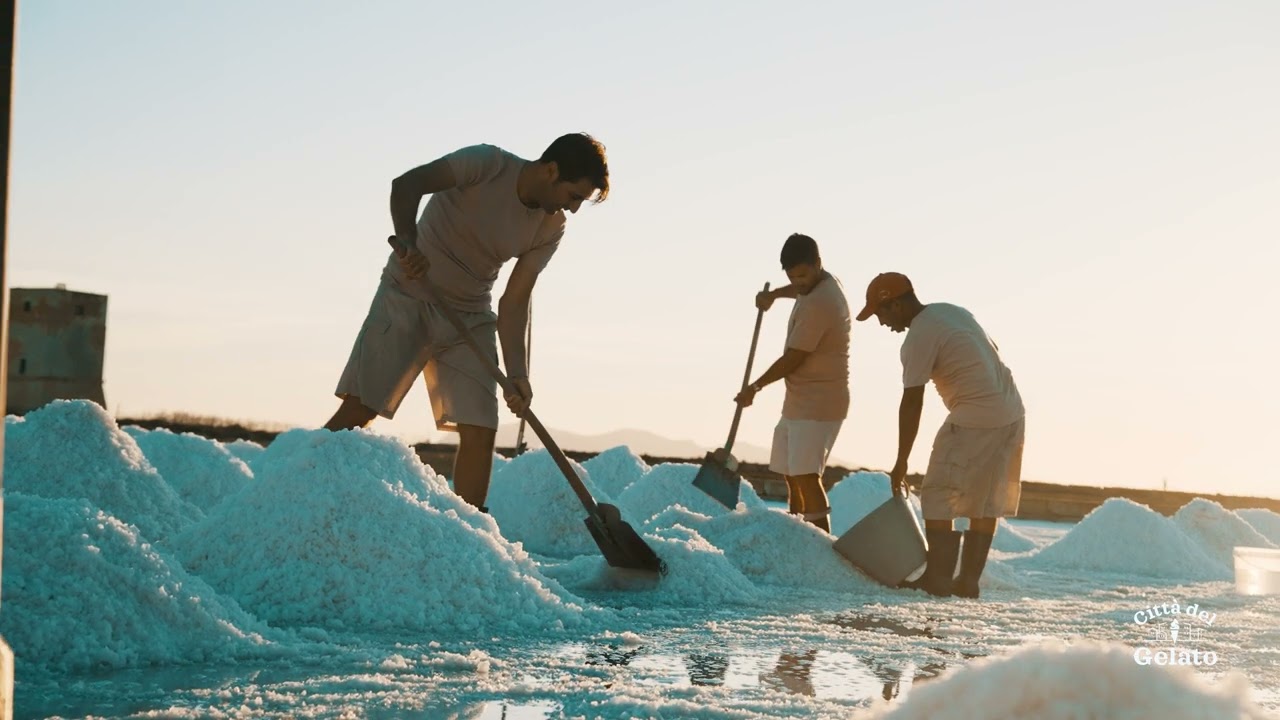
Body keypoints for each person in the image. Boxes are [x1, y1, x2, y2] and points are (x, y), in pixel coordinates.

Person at [324, 133, 610, 512]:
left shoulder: (550, 227)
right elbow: (407, 184)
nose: (572, 209)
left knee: (481, 428)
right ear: (551, 170)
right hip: (407, 295)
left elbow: (515, 301)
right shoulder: (486, 164)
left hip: (470, 315)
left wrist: (518, 374)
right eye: (573, 196)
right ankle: (299, 480)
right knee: (361, 409)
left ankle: (471, 530)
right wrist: (409, 242)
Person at [855, 272, 1025, 599]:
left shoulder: (918, 336)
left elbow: (912, 401)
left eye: (880, 314)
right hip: (1012, 412)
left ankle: (937, 578)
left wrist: (901, 461)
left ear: (896, 304)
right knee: (986, 499)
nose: (881, 323)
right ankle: (967, 581)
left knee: (937, 492)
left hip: (975, 415)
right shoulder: (951, 311)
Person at [734, 234, 851, 532]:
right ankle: (797, 533)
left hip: (820, 403)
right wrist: (774, 295)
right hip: (799, 401)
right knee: (791, 472)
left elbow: (794, 359)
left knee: (807, 475)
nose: (798, 282)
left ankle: (820, 543)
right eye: (792, 276)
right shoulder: (816, 284)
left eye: (803, 275)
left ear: (818, 264)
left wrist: (755, 387)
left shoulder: (822, 303)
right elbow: (800, 290)